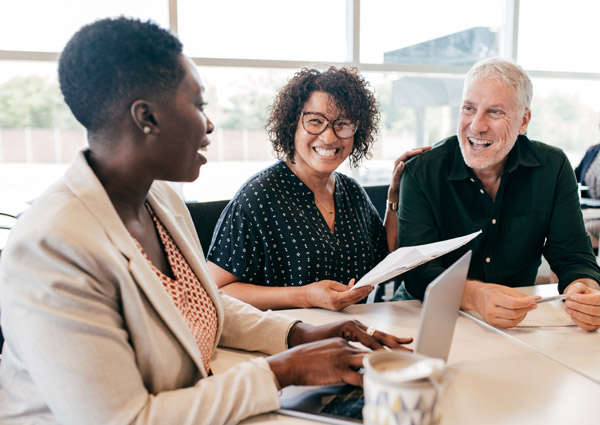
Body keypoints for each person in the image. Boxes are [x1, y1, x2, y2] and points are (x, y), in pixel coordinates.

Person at [0, 17, 413, 425]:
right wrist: (283, 370)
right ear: (148, 117)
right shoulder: (50, 245)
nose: (209, 123)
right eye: (198, 104)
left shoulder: (159, 199)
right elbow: (127, 419)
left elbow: (206, 306)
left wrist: (300, 335)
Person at [394, 57, 600, 331]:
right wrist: (476, 295)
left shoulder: (553, 167)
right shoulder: (422, 172)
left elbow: (573, 256)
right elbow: (418, 271)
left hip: (516, 321)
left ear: (523, 120)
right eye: (469, 108)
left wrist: (584, 290)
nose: (476, 126)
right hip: (425, 315)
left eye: (494, 112)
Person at [207, 67, 429, 311]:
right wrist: (304, 296)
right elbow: (217, 290)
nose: (329, 137)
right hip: (286, 339)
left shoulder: (351, 192)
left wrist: (394, 196)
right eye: (315, 121)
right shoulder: (258, 197)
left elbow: (385, 256)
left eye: (342, 124)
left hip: (352, 332)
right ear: (292, 124)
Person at [575, 141, 600, 249]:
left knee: (575, 233)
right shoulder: (592, 150)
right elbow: (573, 177)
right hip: (589, 213)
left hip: (595, 219)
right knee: (560, 226)